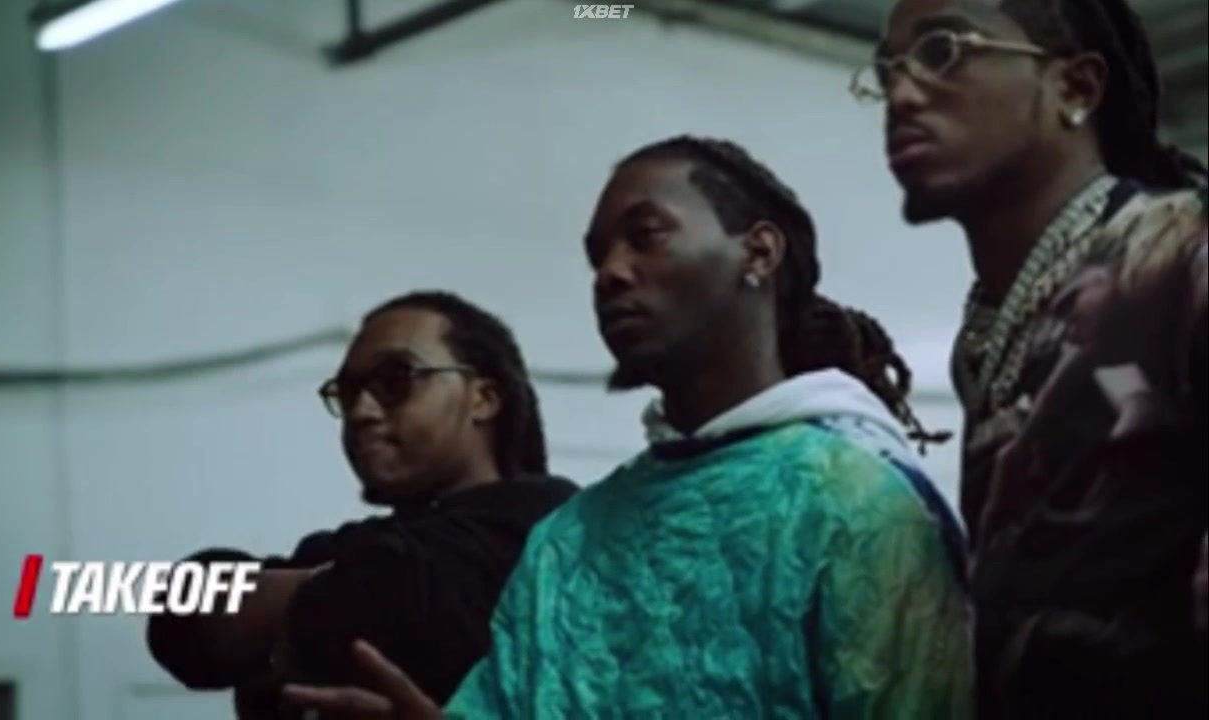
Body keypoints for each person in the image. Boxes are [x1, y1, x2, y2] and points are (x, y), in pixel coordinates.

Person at [282, 136, 973, 718]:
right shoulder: (570, 538)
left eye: (645, 237)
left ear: (759, 253)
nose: (609, 273)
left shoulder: (859, 503)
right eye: (597, 255)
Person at [857, 0, 1209, 715]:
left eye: (942, 50)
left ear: (1075, 87)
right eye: (887, 70)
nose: (902, 93)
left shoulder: (1180, 254)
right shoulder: (992, 327)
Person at [145, 291, 577, 715]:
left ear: (482, 397)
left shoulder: (557, 526)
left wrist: (282, 623)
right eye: (349, 393)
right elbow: (181, 615)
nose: (361, 411)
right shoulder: (363, 546)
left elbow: (389, 601)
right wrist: (332, 593)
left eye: (396, 380)